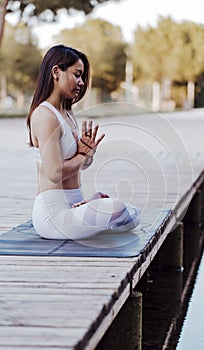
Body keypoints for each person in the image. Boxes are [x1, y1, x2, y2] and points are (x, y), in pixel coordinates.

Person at [26, 44, 140, 240]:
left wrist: (88, 154)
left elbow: (82, 165)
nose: (81, 82)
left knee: (133, 215)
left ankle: (88, 207)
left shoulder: (67, 114)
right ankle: (90, 211)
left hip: (74, 206)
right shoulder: (45, 115)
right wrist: (82, 155)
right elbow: (54, 174)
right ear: (56, 72)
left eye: (82, 77)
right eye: (77, 75)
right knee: (117, 209)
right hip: (53, 215)